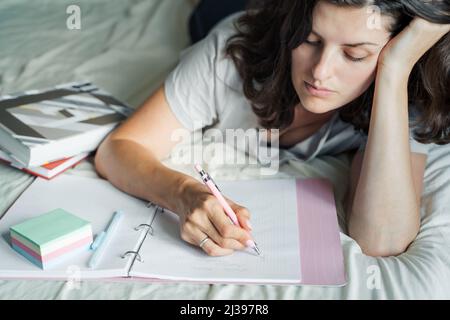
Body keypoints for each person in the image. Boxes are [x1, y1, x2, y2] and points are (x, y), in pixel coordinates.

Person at [95, 0, 450, 257]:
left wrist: (396, 69)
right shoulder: (229, 54)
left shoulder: (403, 92)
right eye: (310, 40)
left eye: (354, 55)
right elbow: (117, 149)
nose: (320, 72)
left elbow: (381, 240)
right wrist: (183, 193)